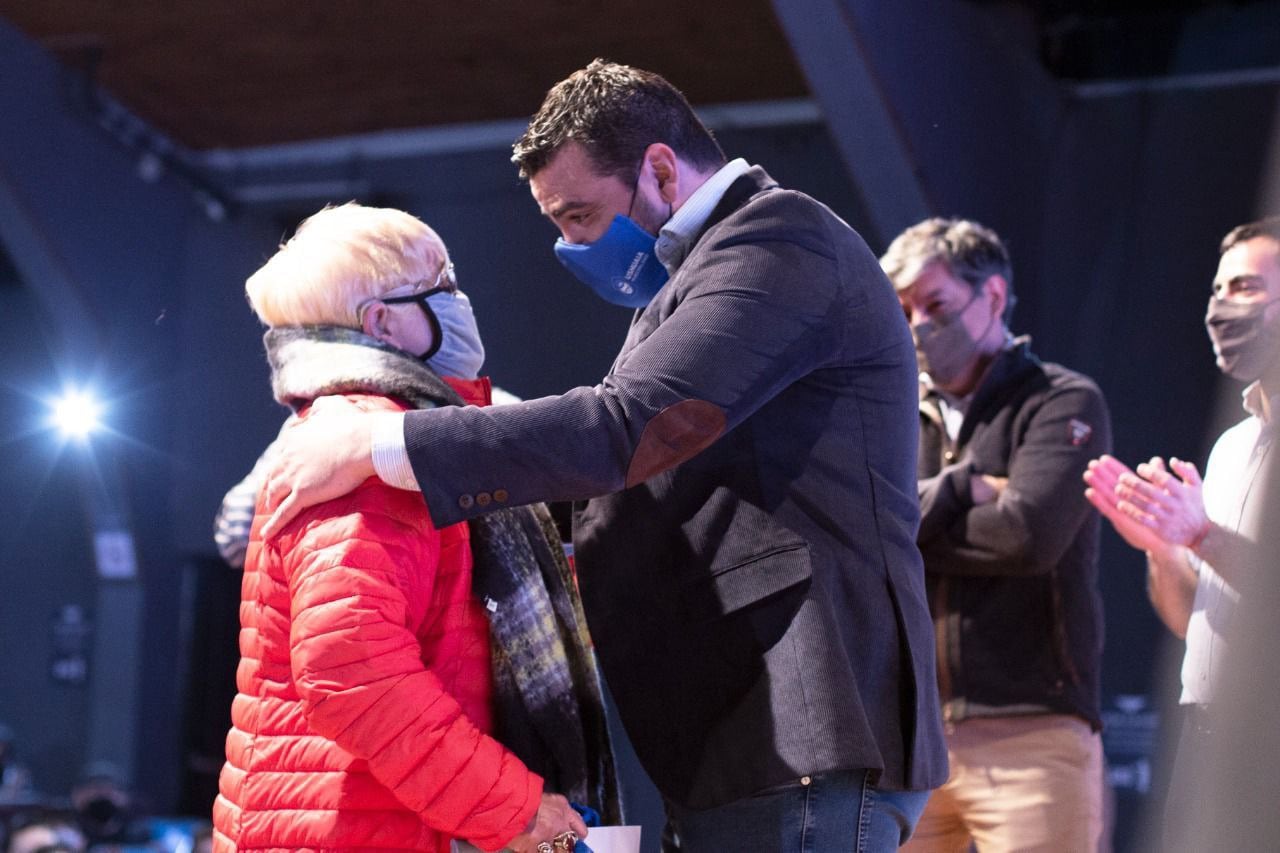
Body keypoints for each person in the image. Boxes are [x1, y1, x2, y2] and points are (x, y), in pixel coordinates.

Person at [252, 60, 947, 851]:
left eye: (580, 213)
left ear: (658, 167)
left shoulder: (779, 243)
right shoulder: (691, 281)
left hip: (804, 725)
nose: (570, 243)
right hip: (745, 737)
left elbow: (626, 429)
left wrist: (387, 445)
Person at [211, 203, 601, 853]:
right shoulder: (364, 446)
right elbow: (350, 668)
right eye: (442, 282)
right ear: (382, 320)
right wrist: (516, 810)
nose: (459, 297)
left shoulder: (396, 435)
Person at [880, 218, 1111, 851]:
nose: (918, 326)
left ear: (994, 298)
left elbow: (1028, 538)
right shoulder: (889, 415)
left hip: (1031, 733)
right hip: (911, 748)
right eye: (902, 311)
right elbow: (865, 535)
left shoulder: (1061, 401)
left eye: (936, 305)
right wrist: (966, 488)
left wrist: (911, 530)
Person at [1083, 215, 1280, 850]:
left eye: (1246, 288)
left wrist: (1200, 536)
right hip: (1206, 734)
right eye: (1218, 291)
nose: (1221, 308)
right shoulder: (1232, 445)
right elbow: (1188, 620)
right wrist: (1164, 547)